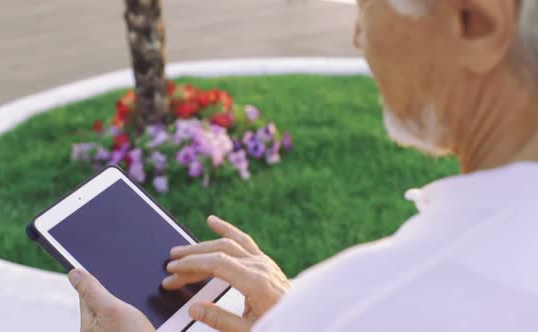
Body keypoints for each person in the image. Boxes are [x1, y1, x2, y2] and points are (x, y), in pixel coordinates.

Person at [67, 0, 538, 331]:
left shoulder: (389, 299)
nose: (357, 36)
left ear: (475, 22)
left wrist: (318, 317)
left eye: (365, 4)